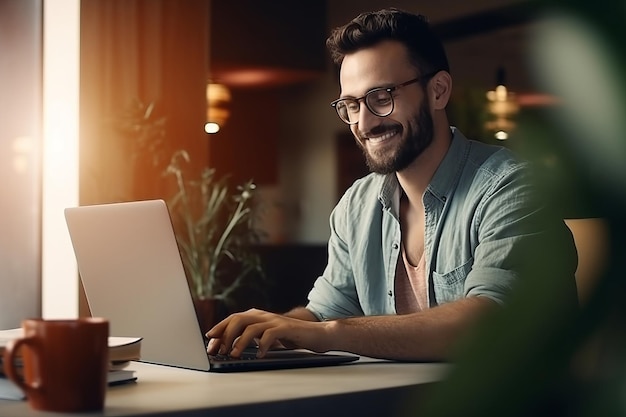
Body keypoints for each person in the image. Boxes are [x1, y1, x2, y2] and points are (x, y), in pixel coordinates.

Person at [206, 8, 578, 361]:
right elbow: (323, 314)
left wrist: (329, 333)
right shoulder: (357, 204)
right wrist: (265, 332)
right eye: (351, 105)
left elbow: (490, 324)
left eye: (381, 98)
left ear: (438, 91)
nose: (364, 123)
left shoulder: (512, 186)